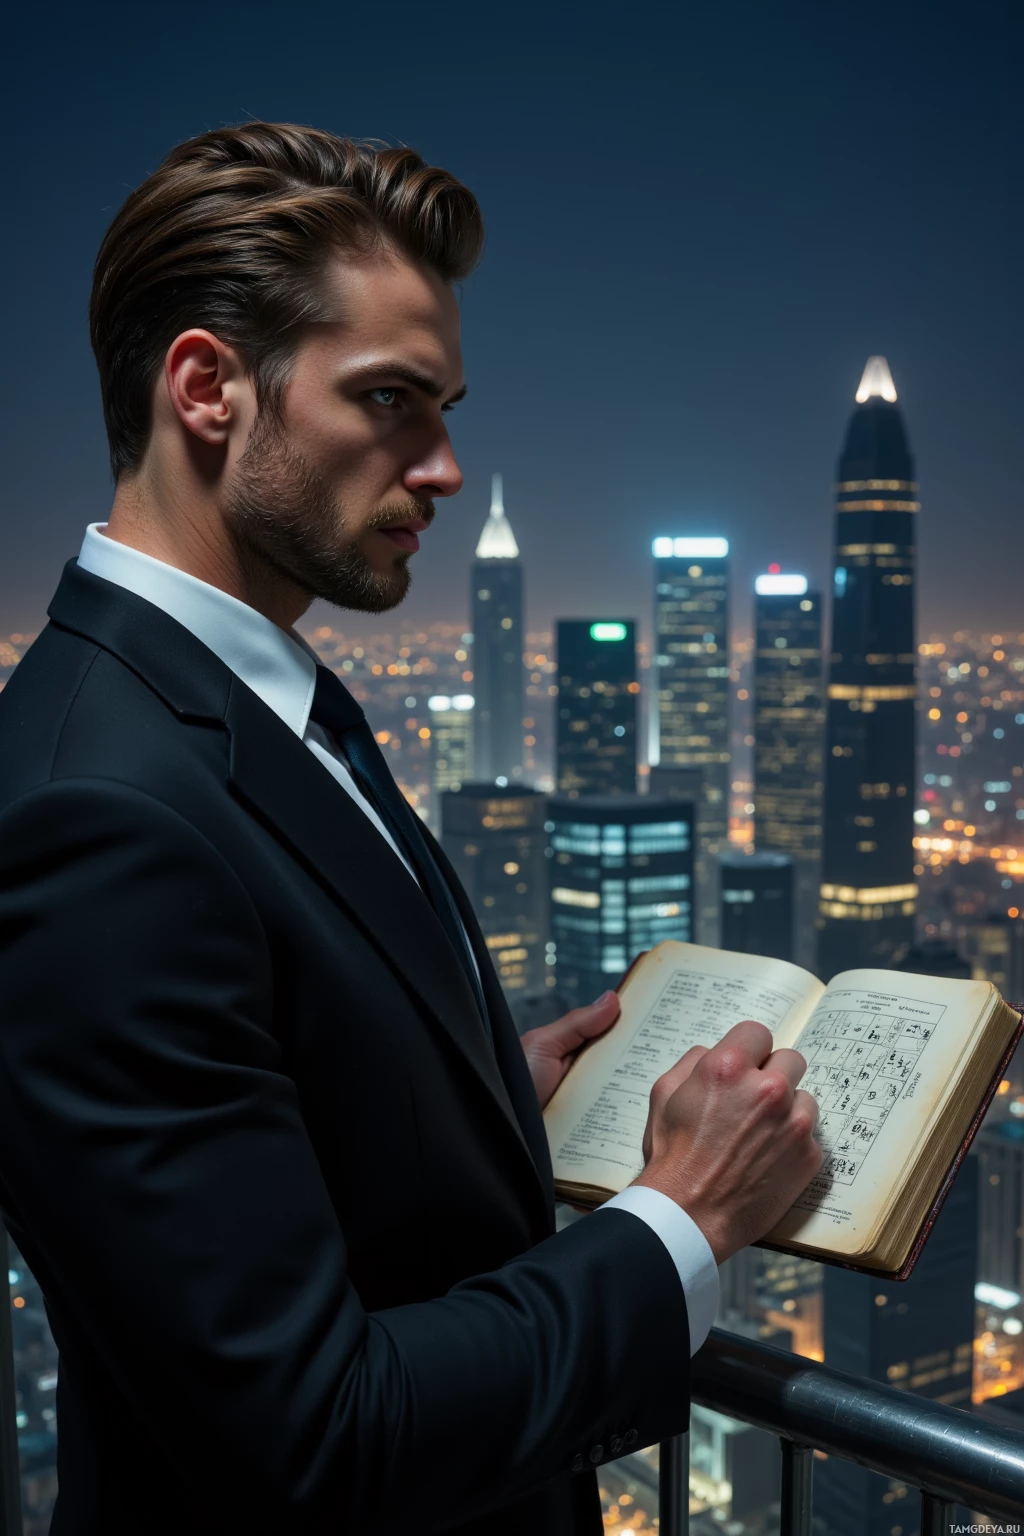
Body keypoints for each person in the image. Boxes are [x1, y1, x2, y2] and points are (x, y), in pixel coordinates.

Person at [0, 122, 821, 1536]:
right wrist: (684, 1215)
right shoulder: (101, 811)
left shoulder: (246, 694)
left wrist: (483, 1076)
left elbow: (271, 1061)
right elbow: (311, 1432)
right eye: (391, 400)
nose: (441, 468)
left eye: (444, 406)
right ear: (206, 389)